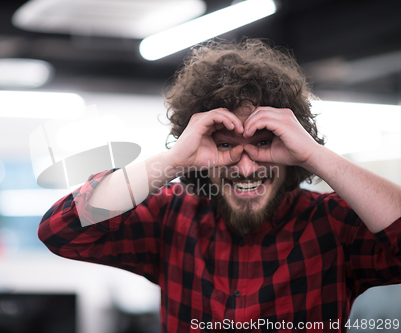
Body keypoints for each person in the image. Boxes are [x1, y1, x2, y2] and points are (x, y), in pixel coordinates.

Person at [38, 39, 401, 332]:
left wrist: (317, 155)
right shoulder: (170, 216)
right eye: (225, 145)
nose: (245, 168)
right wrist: (172, 161)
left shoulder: (333, 224)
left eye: (263, 143)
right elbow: (61, 230)